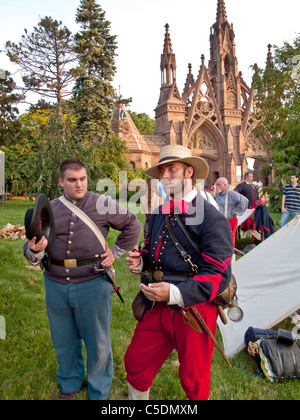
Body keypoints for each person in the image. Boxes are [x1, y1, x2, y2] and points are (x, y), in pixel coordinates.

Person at [24, 159, 141, 400]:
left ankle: (99, 392)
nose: (79, 184)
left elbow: (133, 224)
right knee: (63, 339)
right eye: (72, 180)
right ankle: (69, 384)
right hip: (55, 282)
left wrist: (116, 252)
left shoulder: (102, 203)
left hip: (92, 282)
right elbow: (30, 250)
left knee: (97, 342)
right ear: (61, 182)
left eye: (83, 179)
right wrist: (35, 250)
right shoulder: (50, 209)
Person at [124, 145, 233, 400]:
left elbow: (218, 274)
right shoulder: (158, 213)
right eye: (162, 171)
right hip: (156, 306)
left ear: (188, 173)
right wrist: (141, 263)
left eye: (172, 169)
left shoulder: (210, 217)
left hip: (194, 308)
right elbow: (154, 255)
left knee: (194, 380)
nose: (166, 177)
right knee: (136, 363)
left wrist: (175, 292)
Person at [215, 177, 248, 258]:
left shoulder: (231, 193)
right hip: (220, 220)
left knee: (229, 239)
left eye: (219, 184)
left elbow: (244, 200)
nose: (217, 186)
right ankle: (221, 255)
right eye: (216, 184)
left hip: (229, 220)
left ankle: (230, 257)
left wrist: (236, 211)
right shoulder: (218, 193)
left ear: (225, 185)